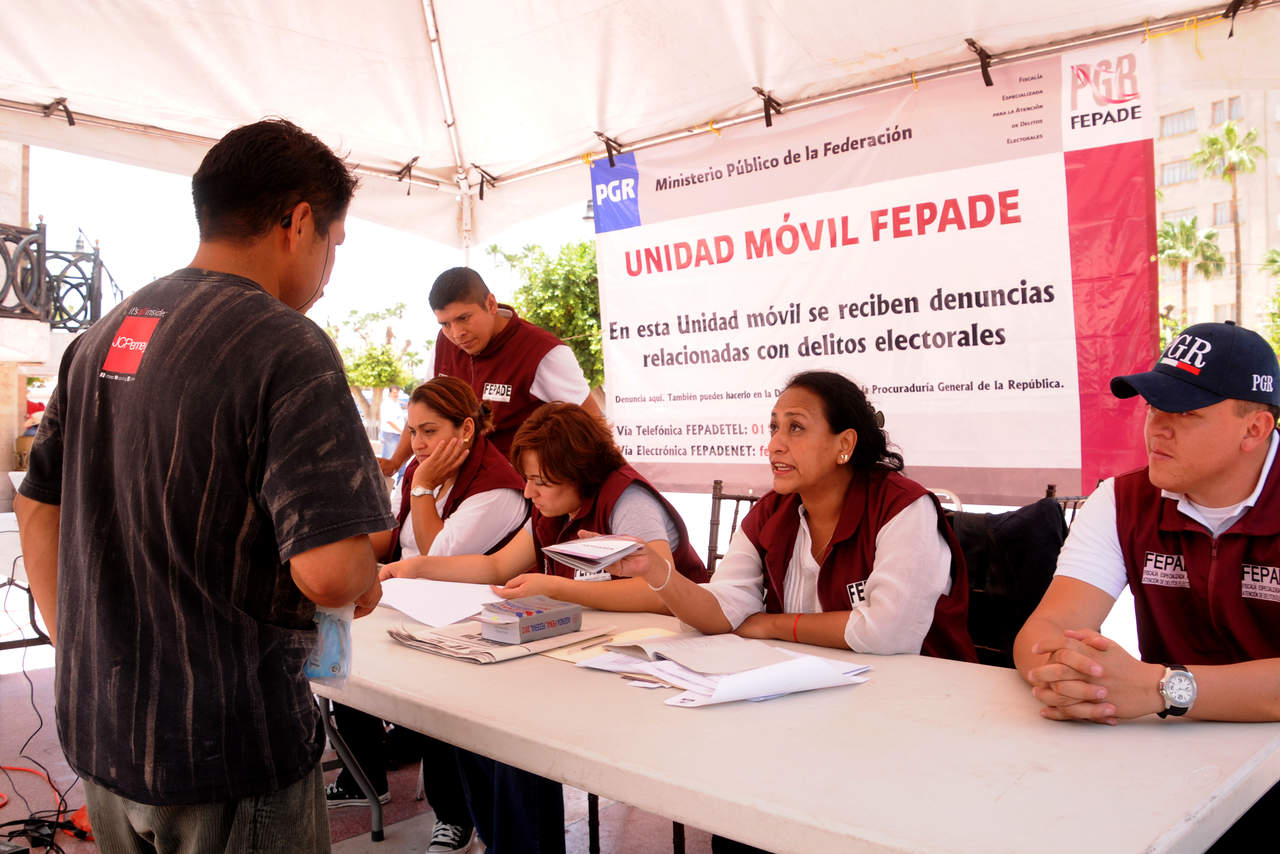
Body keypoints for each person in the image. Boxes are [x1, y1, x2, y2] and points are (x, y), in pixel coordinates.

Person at [14, 119, 392, 853]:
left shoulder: (104, 334)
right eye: (335, 245)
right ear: (299, 223)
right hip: (228, 748)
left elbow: (37, 504)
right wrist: (363, 578)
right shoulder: (286, 343)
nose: (328, 270)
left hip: (103, 736)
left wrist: (85, 650)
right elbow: (330, 572)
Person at [381, 401, 708, 854]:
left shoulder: (628, 501)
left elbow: (657, 591)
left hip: (656, 671)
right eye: (528, 478)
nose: (528, 492)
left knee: (517, 739)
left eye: (540, 480)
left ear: (579, 471)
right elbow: (496, 566)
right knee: (472, 723)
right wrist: (418, 567)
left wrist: (556, 588)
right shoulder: (552, 509)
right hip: (585, 656)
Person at [1014, 321, 1280, 724]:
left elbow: (1150, 688)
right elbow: (1046, 628)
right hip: (1164, 745)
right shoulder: (1121, 500)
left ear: (1254, 429)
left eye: (1186, 412)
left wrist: (1161, 687)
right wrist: (1081, 679)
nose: (1157, 428)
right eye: (1153, 407)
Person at [614, 370, 975, 659]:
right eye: (774, 428)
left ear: (845, 444)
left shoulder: (902, 507)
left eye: (796, 427)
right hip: (816, 691)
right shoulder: (772, 511)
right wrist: (657, 572)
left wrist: (770, 625)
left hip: (921, 699)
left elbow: (888, 631)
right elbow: (721, 610)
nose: (775, 445)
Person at [328, 376, 527, 853]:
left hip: (464, 614)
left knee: (433, 693)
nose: (417, 444)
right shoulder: (421, 470)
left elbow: (438, 555)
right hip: (408, 596)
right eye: (413, 431)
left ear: (466, 429)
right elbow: (389, 537)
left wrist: (420, 490)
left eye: (430, 431)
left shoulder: (495, 487)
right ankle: (364, 776)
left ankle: (454, 816)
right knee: (342, 640)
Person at [379, 266, 600, 474]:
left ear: (491, 304)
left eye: (463, 318)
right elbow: (423, 409)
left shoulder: (543, 352)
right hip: (455, 481)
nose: (456, 333)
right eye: (445, 324)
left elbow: (594, 424)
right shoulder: (444, 343)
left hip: (516, 487)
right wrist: (396, 462)